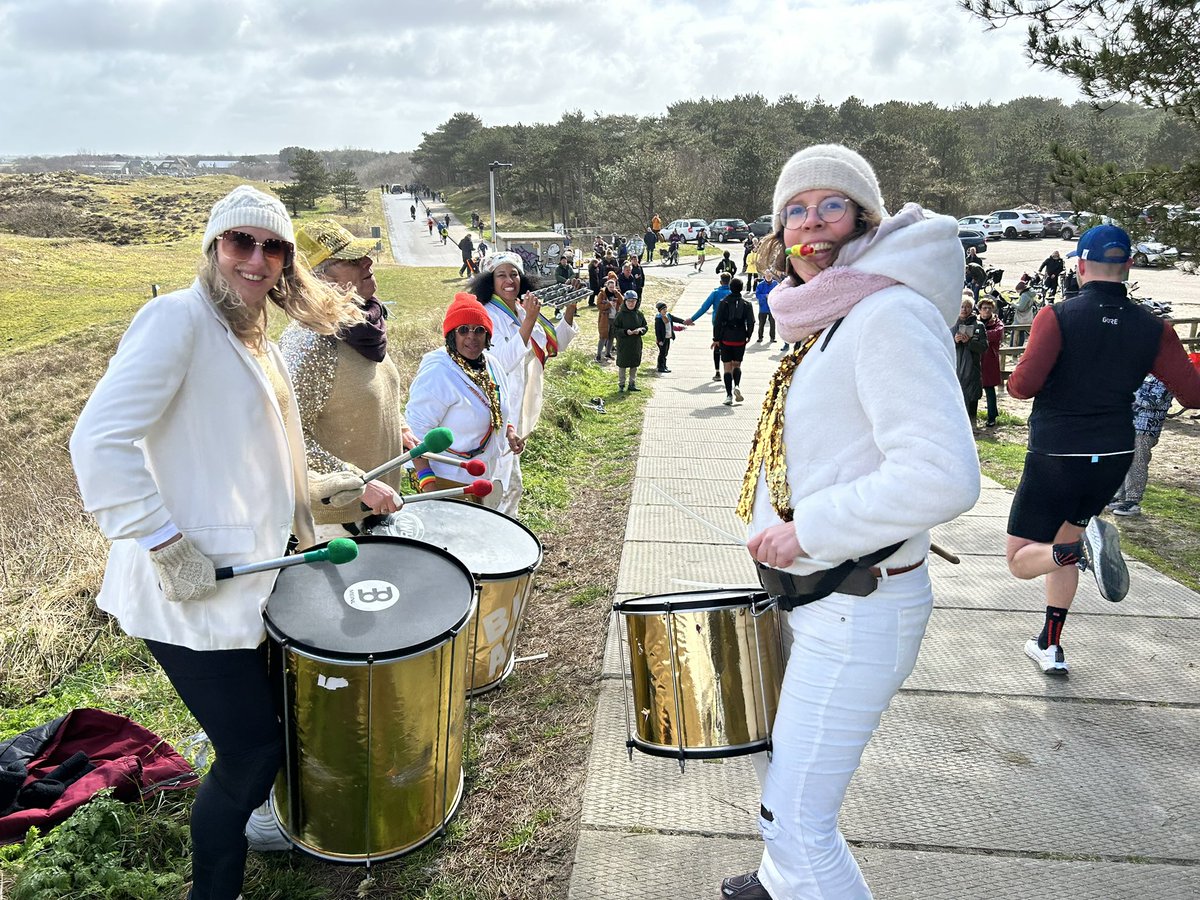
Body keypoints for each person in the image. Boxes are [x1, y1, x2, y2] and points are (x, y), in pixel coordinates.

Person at [70, 186, 363, 900]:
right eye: (241, 242)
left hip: (246, 586)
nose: (257, 259)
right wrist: (166, 543)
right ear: (213, 247)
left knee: (265, 735)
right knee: (251, 749)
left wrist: (342, 492)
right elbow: (98, 442)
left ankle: (273, 830)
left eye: (274, 248)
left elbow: (263, 467)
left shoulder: (254, 336)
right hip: (186, 594)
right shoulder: (177, 320)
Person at [721, 145, 979, 900]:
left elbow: (943, 474)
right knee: (783, 773)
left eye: (831, 206)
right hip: (822, 597)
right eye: (795, 211)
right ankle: (778, 884)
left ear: (867, 218)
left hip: (859, 606)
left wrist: (808, 530)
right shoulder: (832, 312)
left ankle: (793, 869)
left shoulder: (887, 313)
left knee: (799, 818)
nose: (811, 224)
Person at [1005, 224, 1200, 676]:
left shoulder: (1057, 316)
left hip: (1058, 453)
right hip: (1113, 455)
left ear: (1079, 264)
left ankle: (1079, 552)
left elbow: (1024, 386)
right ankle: (1050, 646)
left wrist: (1017, 377)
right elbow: (1192, 394)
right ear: (1128, 266)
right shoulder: (1156, 329)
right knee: (1064, 538)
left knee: (1021, 560)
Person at [281, 221, 418, 544]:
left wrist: (398, 427)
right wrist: (357, 482)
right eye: (353, 260)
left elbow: (367, 392)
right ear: (320, 278)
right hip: (332, 531)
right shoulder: (311, 342)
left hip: (375, 516)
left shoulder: (365, 329)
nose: (367, 263)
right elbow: (287, 437)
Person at [469, 252, 578, 514]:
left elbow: (556, 344)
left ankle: (509, 540)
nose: (510, 280)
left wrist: (571, 307)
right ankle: (500, 542)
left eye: (514, 274)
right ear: (489, 281)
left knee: (512, 486)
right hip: (493, 413)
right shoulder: (485, 315)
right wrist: (528, 321)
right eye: (501, 275)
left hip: (516, 413)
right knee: (499, 487)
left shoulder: (522, 309)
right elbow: (498, 364)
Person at [406, 294, 522, 506]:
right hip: (445, 482)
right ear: (452, 334)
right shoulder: (439, 372)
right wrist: (429, 488)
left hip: (482, 478)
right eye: (463, 330)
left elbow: (496, 405)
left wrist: (510, 430)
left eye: (479, 329)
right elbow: (413, 436)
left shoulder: (491, 364)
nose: (472, 336)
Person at [1106, 375, 1174, 517]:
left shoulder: (1167, 377)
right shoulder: (1144, 373)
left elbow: (1153, 401)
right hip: (1128, 425)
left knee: (1137, 463)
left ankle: (1133, 501)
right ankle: (1120, 496)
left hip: (1145, 429)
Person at [713, 277, 754, 406]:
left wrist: (716, 338)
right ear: (741, 288)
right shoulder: (747, 304)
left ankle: (729, 395)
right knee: (737, 364)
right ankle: (737, 385)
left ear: (730, 288)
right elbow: (751, 322)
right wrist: (748, 335)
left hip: (726, 338)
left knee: (727, 367)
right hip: (740, 338)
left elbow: (717, 322)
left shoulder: (723, 302)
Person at [685, 272, 732, 381]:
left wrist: (692, 319)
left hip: (717, 324)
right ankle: (729, 372)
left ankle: (717, 372)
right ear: (730, 281)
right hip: (730, 324)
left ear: (721, 282)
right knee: (728, 346)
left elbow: (704, 307)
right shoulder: (732, 293)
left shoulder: (715, 293)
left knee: (717, 345)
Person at [952, 294, 988, 428]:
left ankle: (970, 429)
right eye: (962, 306)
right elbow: (941, 345)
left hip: (971, 370)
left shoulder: (979, 326)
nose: (964, 309)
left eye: (967, 307)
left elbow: (984, 347)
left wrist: (969, 342)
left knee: (971, 400)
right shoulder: (950, 323)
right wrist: (954, 342)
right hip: (954, 369)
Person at [613, 290, 648, 392]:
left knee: (634, 364)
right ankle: (621, 385)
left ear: (636, 302)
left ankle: (632, 384)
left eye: (633, 301)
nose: (631, 303)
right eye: (629, 301)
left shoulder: (639, 314)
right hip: (623, 344)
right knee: (622, 365)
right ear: (625, 302)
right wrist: (625, 332)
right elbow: (614, 330)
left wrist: (641, 330)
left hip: (635, 343)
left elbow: (645, 326)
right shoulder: (620, 315)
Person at [977, 296, 1005, 427]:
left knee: (989, 388)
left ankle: (992, 416)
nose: (987, 310)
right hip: (975, 358)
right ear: (980, 310)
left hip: (989, 359)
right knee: (972, 386)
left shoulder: (997, 322)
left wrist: (979, 335)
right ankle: (971, 414)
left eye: (989, 308)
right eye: (984, 308)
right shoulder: (974, 321)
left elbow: (997, 334)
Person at [654, 301, 686, 373]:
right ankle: (660, 367)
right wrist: (659, 340)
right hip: (662, 338)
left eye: (665, 309)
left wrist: (684, 322)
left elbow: (676, 319)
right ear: (660, 310)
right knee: (662, 353)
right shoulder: (658, 319)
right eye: (663, 309)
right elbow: (657, 331)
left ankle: (664, 365)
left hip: (668, 337)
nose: (665, 310)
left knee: (665, 352)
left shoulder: (668, 315)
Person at [595, 274, 621, 362]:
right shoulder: (602, 294)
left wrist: (617, 293)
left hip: (614, 318)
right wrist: (609, 304)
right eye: (610, 287)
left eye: (613, 287)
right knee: (603, 337)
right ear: (607, 286)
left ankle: (608, 353)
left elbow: (622, 301)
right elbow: (599, 306)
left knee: (611, 337)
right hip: (605, 319)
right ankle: (598, 355)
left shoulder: (615, 293)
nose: (612, 289)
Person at [1011, 275, 1037, 346]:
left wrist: (1013, 304)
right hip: (1027, 317)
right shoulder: (1029, 294)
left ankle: (1014, 349)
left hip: (1021, 318)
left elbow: (1021, 308)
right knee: (1021, 332)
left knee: (1015, 332)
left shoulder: (1024, 296)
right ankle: (1019, 347)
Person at [754, 269, 777, 344]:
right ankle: (760, 337)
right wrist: (765, 296)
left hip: (772, 308)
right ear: (764, 276)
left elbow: (779, 293)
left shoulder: (775, 284)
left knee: (772, 324)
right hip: (763, 307)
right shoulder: (760, 285)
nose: (768, 276)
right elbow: (757, 295)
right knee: (761, 324)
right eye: (767, 275)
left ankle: (772, 338)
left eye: (770, 275)